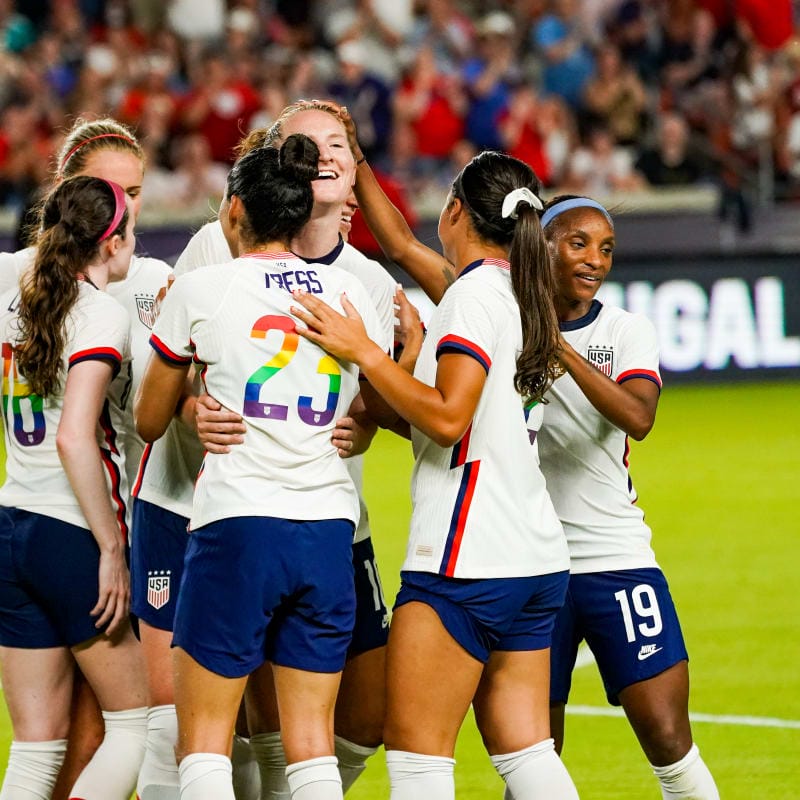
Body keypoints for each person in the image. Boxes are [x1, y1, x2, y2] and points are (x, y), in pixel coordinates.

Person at [291, 147, 579, 800]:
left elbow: (449, 419)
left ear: (454, 212)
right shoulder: (526, 294)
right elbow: (457, 422)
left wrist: (365, 352)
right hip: (534, 555)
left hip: (466, 557)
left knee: (419, 760)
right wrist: (401, 368)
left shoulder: (470, 297)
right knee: (526, 751)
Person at [153, 99, 397, 799]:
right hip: (318, 523)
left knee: (206, 738)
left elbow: (147, 411)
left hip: (248, 520)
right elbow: (379, 394)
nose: (326, 157)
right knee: (303, 740)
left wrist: (190, 399)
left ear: (238, 210)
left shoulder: (211, 283)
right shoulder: (347, 288)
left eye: (338, 145)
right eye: (313, 147)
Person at [0, 116, 172, 800]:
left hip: (12, 519)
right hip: (74, 530)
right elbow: (76, 436)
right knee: (138, 726)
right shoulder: (100, 311)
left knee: (34, 746)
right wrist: (109, 546)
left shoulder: (16, 284)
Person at [537, 195, 720, 800]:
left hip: (615, 557)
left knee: (669, 742)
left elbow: (639, 417)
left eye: (606, 248)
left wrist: (557, 347)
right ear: (541, 244)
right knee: (534, 756)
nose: (595, 259)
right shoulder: (503, 323)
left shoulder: (624, 330)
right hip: (529, 565)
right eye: (578, 243)